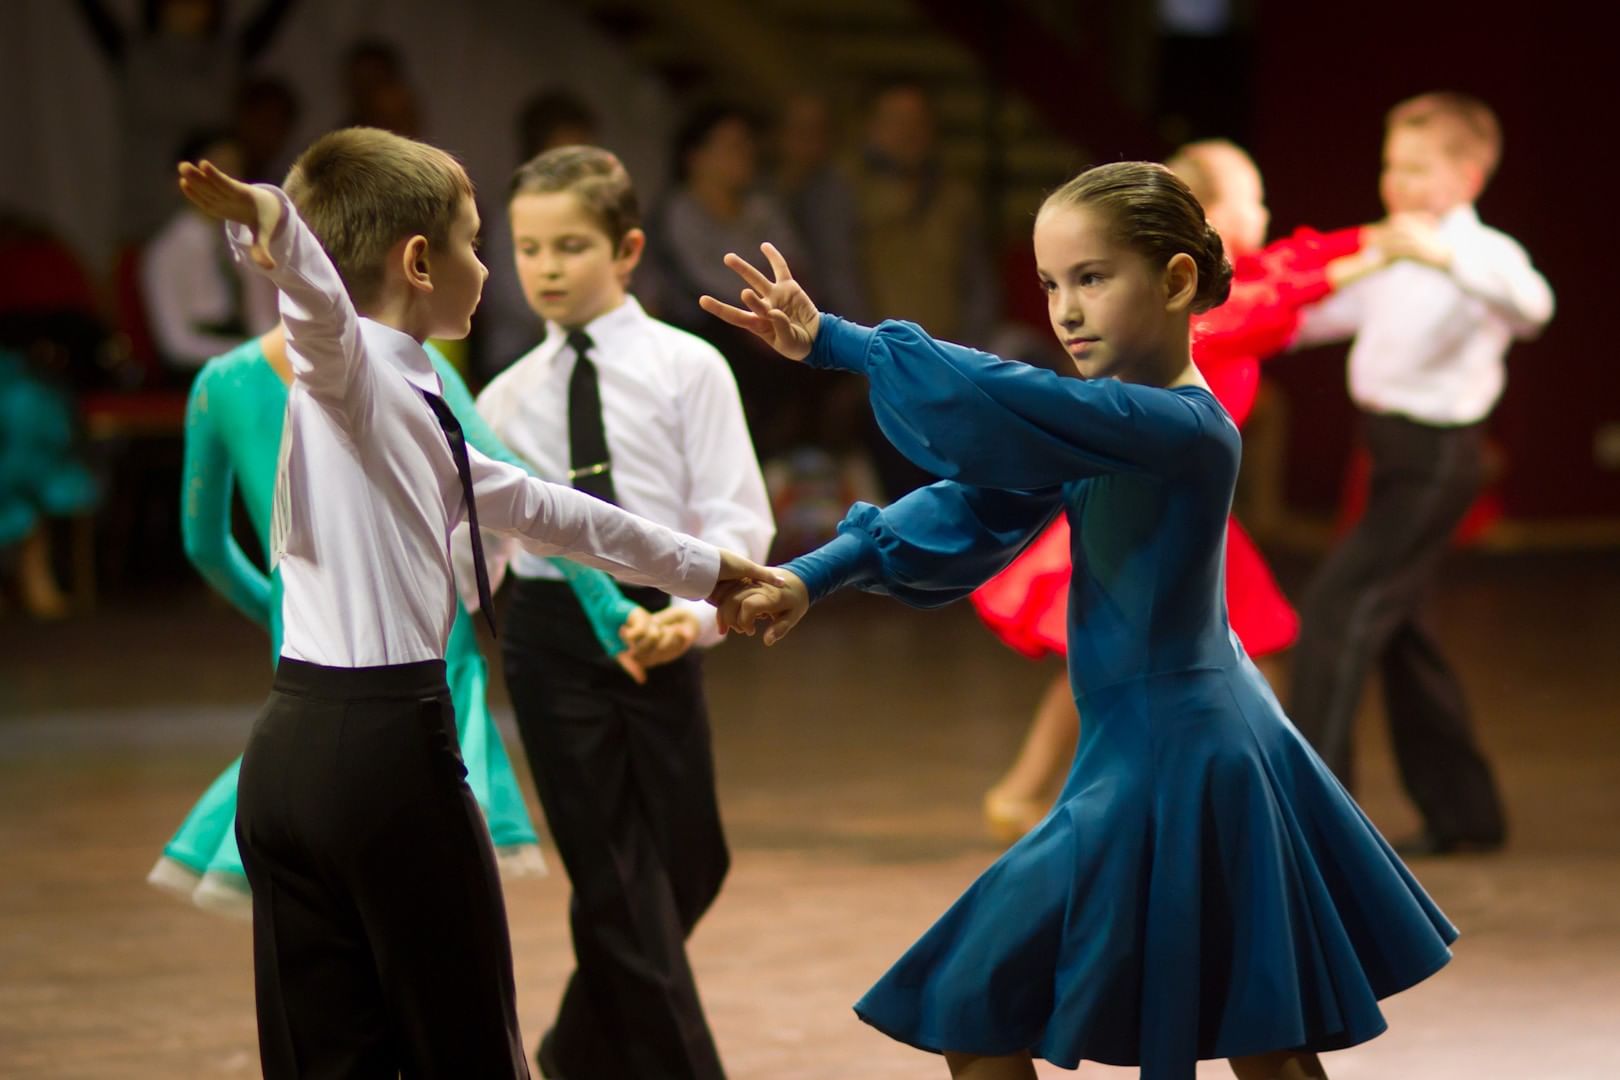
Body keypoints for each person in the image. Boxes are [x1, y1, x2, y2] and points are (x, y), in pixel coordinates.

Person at [701, 161, 1455, 1079]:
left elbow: (1017, 398)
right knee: (1244, 1021)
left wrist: (839, 342)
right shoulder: (1102, 426)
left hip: (1179, 753)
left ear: (1178, 281)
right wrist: (811, 576)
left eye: (1091, 279)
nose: (1064, 309)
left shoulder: (1182, 426)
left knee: (1010, 1004)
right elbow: (973, 506)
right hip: (1160, 742)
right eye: (1053, 284)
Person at [176, 128, 777, 1078]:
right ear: (419, 262)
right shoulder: (352, 376)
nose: (493, 268)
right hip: (385, 758)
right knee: (466, 1050)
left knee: (327, 1054)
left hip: (288, 752)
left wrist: (717, 575)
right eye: (476, 242)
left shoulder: (412, 398)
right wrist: (272, 219)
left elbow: (547, 508)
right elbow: (320, 313)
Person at [146, 322, 649, 916]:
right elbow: (516, 485)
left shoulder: (221, 382)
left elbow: (205, 546)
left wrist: (282, 618)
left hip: (311, 669)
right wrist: (607, 604)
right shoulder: (410, 362)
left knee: (329, 905)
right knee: (431, 907)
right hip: (428, 660)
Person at [974, 139, 1386, 841]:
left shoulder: (1225, 277)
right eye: (1252, 200)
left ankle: (1235, 791)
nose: (1266, 213)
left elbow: (1292, 259)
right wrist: (1369, 261)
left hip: (1184, 505)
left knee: (1204, 657)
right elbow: (1270, 297)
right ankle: (1247, 794)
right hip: (1150, 510)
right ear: (1212, 213)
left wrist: (1371, 237)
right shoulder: (1191, 307)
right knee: (1166, 660)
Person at [476, 145, 773, 1080]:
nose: (547, 267)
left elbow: (736, 516)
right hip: (552, 634)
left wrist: (692, 618)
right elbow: (484, 550)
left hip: (663, 620)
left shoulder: (689, 368)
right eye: (528, 248)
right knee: (612, 873)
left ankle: (574, 1049)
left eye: (570, 244)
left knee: (690, 861)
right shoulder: (502, 397)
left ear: (629, 247)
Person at [1289, 92, 1553, 856]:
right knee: (1400, 629)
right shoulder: (1393, 251)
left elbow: (1535, 307)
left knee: (1339, 612)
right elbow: (1315, 315)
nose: (1396, 181)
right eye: (1390, 165)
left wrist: (1443, 256)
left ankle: (1315, 826)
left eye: (1416, 167)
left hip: (1438, 460)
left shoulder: (1484, 254)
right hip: (1391, 457)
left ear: (1467, 177)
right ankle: (1467, 813)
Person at [141, 133, 279, 376]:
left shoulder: (246, 241)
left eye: (234, 172)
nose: (229, 184)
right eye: (218, 172)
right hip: (198, 371)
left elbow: (262, 318)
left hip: (252, 362)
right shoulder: (166, 252)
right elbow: (176, 345)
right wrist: (248, 354)